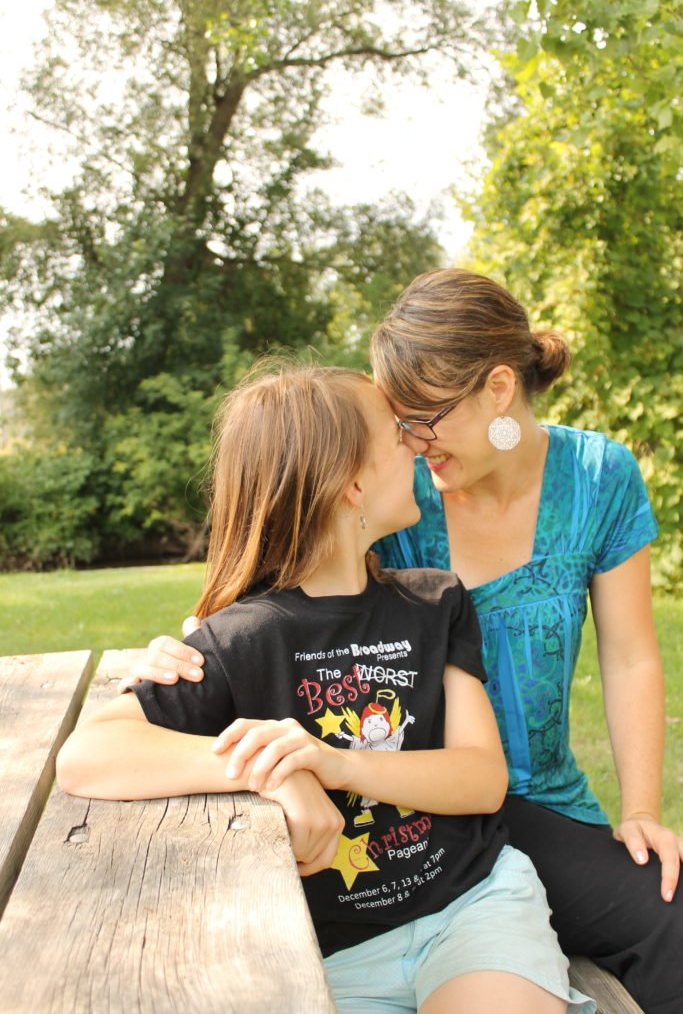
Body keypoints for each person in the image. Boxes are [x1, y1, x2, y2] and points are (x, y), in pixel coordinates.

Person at [135, 270, 682, 1014]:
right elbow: (285, 595)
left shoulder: (599, 475)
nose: (414, 441)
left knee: (667, 913)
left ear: (496, 389)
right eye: (401, 422)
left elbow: (628, 655)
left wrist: (642, 809)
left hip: (544, 804)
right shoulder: (393, 488)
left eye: (425, 417)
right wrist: (186, 648)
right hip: (416, 802)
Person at [57, 362, 594, 1014]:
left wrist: (332, 761)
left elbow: (480, 779)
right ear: (350, 484)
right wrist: (269, 768)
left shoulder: (435, 602)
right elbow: (87, 755)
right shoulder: (240, 641)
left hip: (472, 907)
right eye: (398, 434)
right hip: (329, 951)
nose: (416, 444)